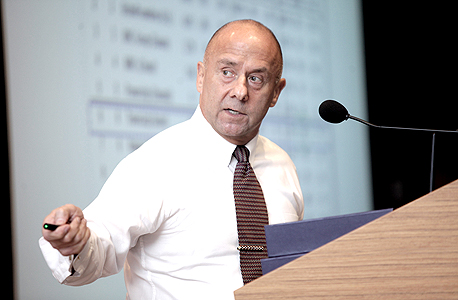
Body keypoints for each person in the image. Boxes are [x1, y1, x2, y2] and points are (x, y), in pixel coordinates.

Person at [40, 19, 304, 300]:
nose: (240, 91)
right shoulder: (155, 163)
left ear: (276, 92)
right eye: (227, 72)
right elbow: (100, 244)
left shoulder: (282, 164)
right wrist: (76, 244)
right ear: (201, 76)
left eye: (255, 79)